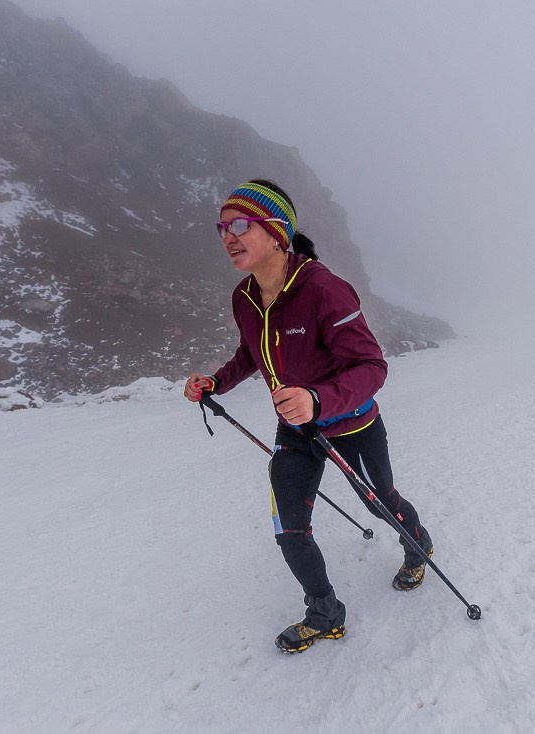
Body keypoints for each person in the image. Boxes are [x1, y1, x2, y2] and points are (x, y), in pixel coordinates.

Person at [183, 179, 434, 654]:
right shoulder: (244, 297)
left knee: (380, 500)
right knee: (288, 526)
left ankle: (418, 543)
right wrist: (215, 382)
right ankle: (325, 613)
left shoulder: (324, 290)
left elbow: (372, 366)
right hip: (295, 428)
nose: (227, 237)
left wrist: (318, 400)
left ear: (277, 232)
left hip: (352, 423)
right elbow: (250, 354)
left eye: (240, 224)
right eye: (222, 228)